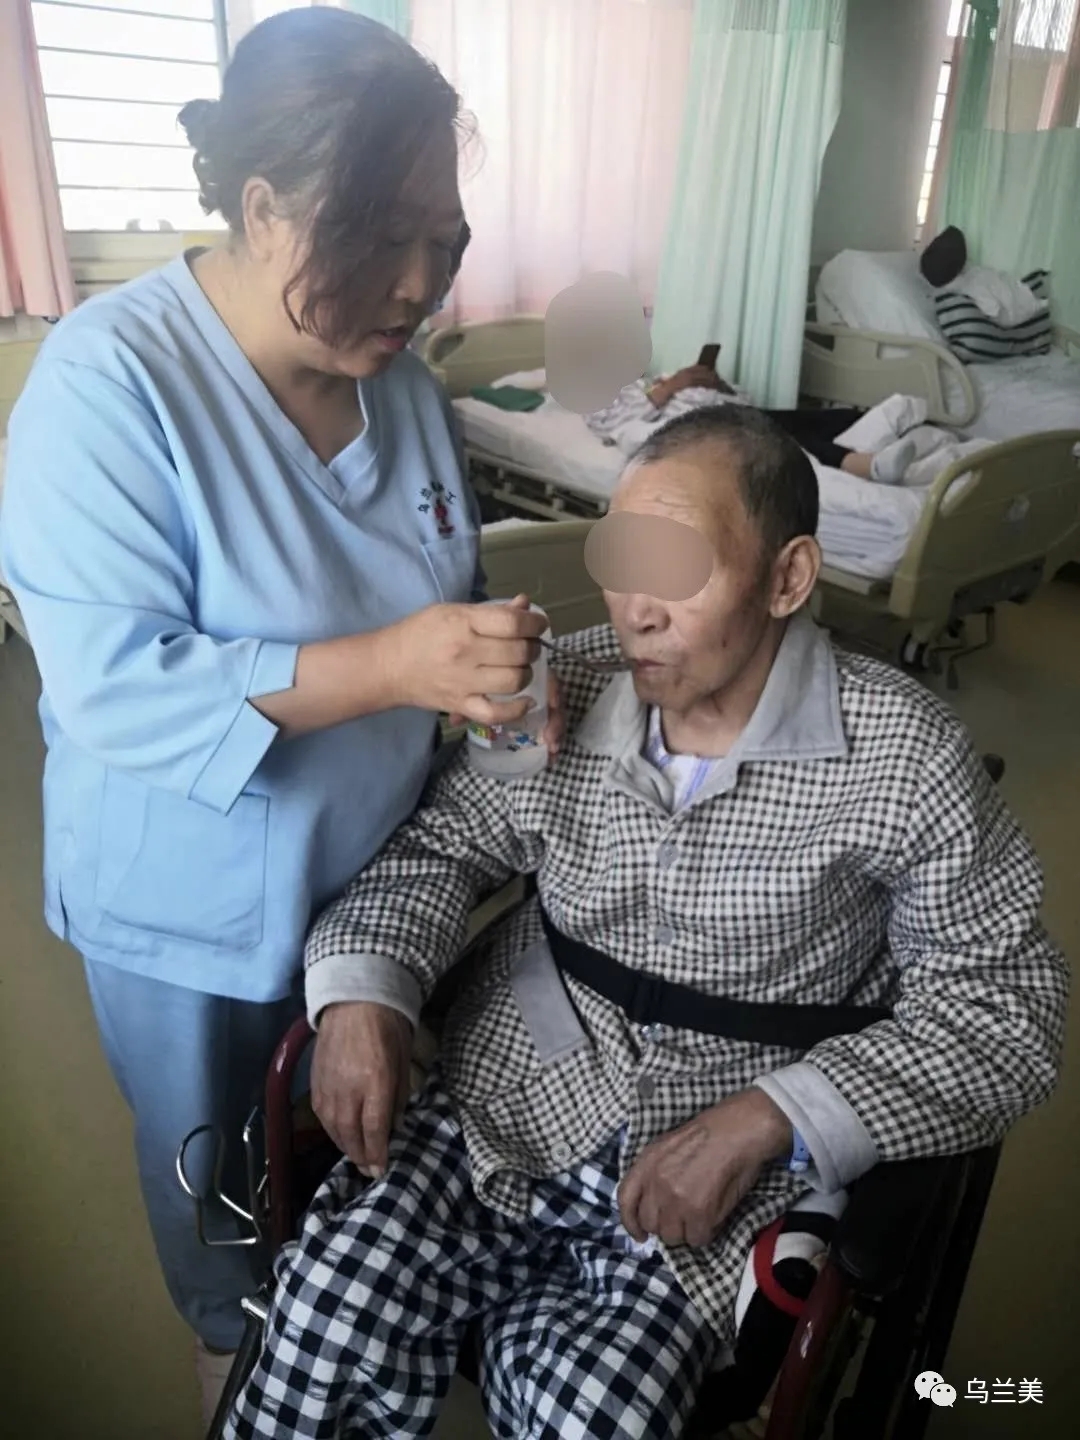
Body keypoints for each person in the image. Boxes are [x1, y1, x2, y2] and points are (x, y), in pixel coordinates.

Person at [226, 406, 1067, 1440]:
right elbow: (443, 847)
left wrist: (774, 1116)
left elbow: (1006, 1010)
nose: (636, 612)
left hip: (715, 1163)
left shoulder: (903, 756)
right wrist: (363, 991)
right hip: (511, 1094)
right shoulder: (561, 689)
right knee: (328, 1307)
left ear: (788, 577)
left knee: (596, 1414)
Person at [0, 8, 558, 1423]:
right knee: (220, 1171)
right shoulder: (110, 385)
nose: (418, 282)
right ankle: (232, 1350)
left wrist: (493, 684)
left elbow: (446, 584)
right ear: (262, 210)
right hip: (188, 904)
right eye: (380, 237)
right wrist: (399, 666)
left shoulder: (407, 390)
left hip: (372, 874)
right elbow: (118, 685)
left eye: (446, 241)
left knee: (354, 1134)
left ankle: (339, 1314)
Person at [586, 363, 926, 483]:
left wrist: (718, 385)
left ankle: (893, 431)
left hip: (734, 409)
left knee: (824, 418)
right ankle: (869, 466)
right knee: (785, 438)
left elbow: (743, 398)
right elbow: (614, 426)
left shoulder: (648, 379)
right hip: (714, 425)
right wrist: (673, 386)